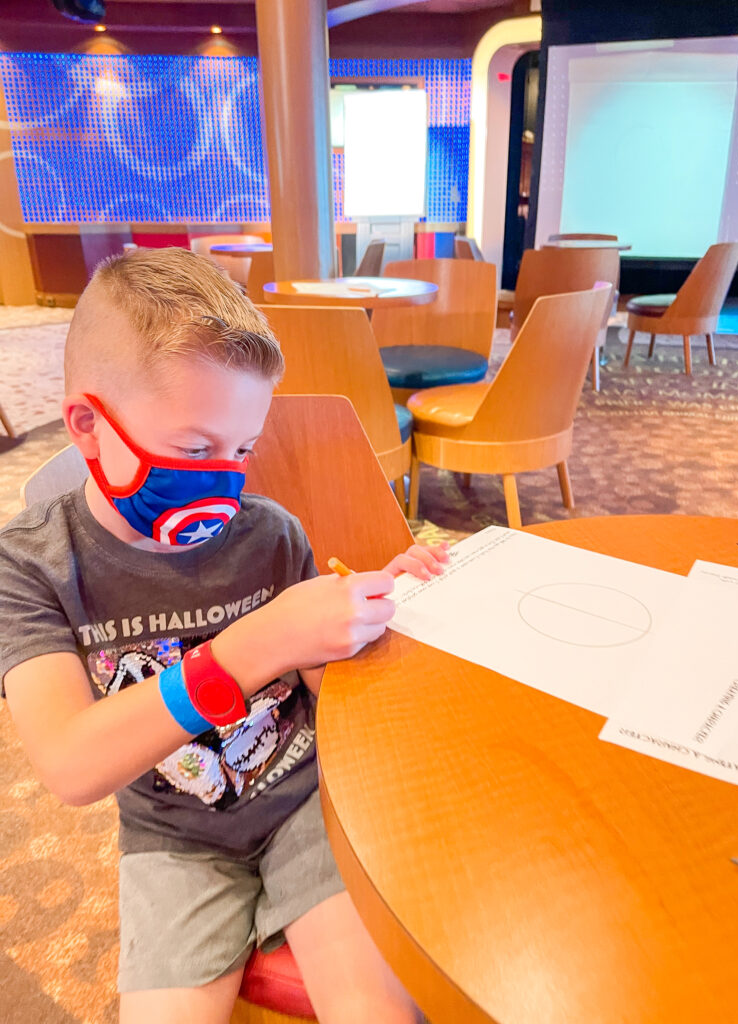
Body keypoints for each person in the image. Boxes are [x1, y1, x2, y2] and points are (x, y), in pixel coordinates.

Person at [0, 247, 449, 1024]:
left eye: (243, 450)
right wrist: (251, 647)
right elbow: (71, 766)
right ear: (87, 427)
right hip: (173, 839)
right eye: (195, 448)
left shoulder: (269, 533)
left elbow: (320, 687)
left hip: (307, 802)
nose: (225, 479)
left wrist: (380, 611)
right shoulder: (32, 565)